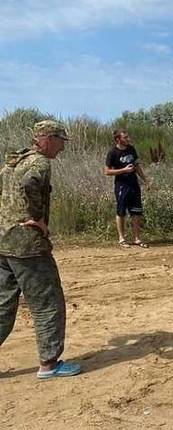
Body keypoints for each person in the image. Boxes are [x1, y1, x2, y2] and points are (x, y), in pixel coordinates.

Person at [0, 120, 82, 379]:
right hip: (27, 245)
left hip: (4, 241)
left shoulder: (15, 161)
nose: (62, 148)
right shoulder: (38, 163)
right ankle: (49, 364)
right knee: (48, 302)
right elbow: (30, 183)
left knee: (2, 303)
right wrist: (38, 218)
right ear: (47, 138)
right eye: (60, 141)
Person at [104, 129, 149, 248]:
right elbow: (107, 171)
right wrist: (124, 170)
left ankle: (136, 238)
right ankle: (121, 238)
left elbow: (137, 165)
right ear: (118, 139)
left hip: (134, 184)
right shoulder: (112, 153)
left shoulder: (131, 149)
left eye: (128, 137)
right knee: (121, 211)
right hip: (121, 185)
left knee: (136, 212)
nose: (128, 139)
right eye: (125, 137)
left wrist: (145, 180)